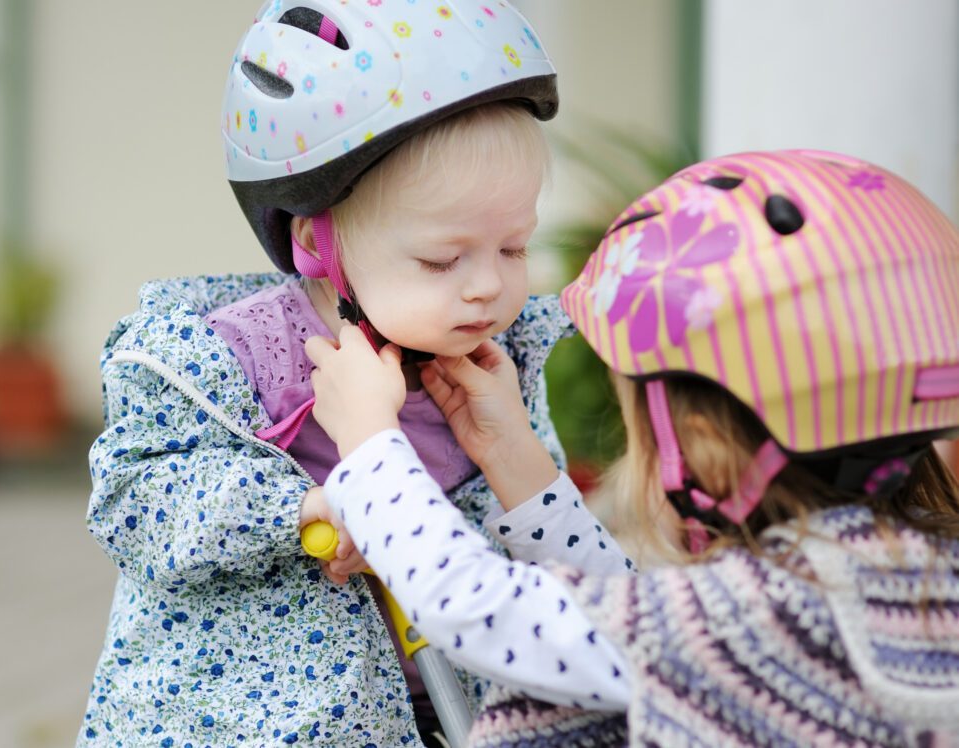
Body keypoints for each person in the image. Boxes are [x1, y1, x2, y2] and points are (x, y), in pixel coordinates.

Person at [76, 2, 605, 745]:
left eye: (514, 249)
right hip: (251, 723)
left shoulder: (497, 360)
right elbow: (136, 504)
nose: (488, 286)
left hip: (445, 712)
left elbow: (552, 554)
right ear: (315, 242)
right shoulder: (227, 360)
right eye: (443, 259)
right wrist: (304, 512)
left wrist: (518, 457)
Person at [307, 149, 959, 746]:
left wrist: (369, 439)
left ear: (701, 444)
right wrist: (511, 454)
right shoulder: (909, 577)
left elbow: (482, 611)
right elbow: (622, 626)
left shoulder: (766, 612)